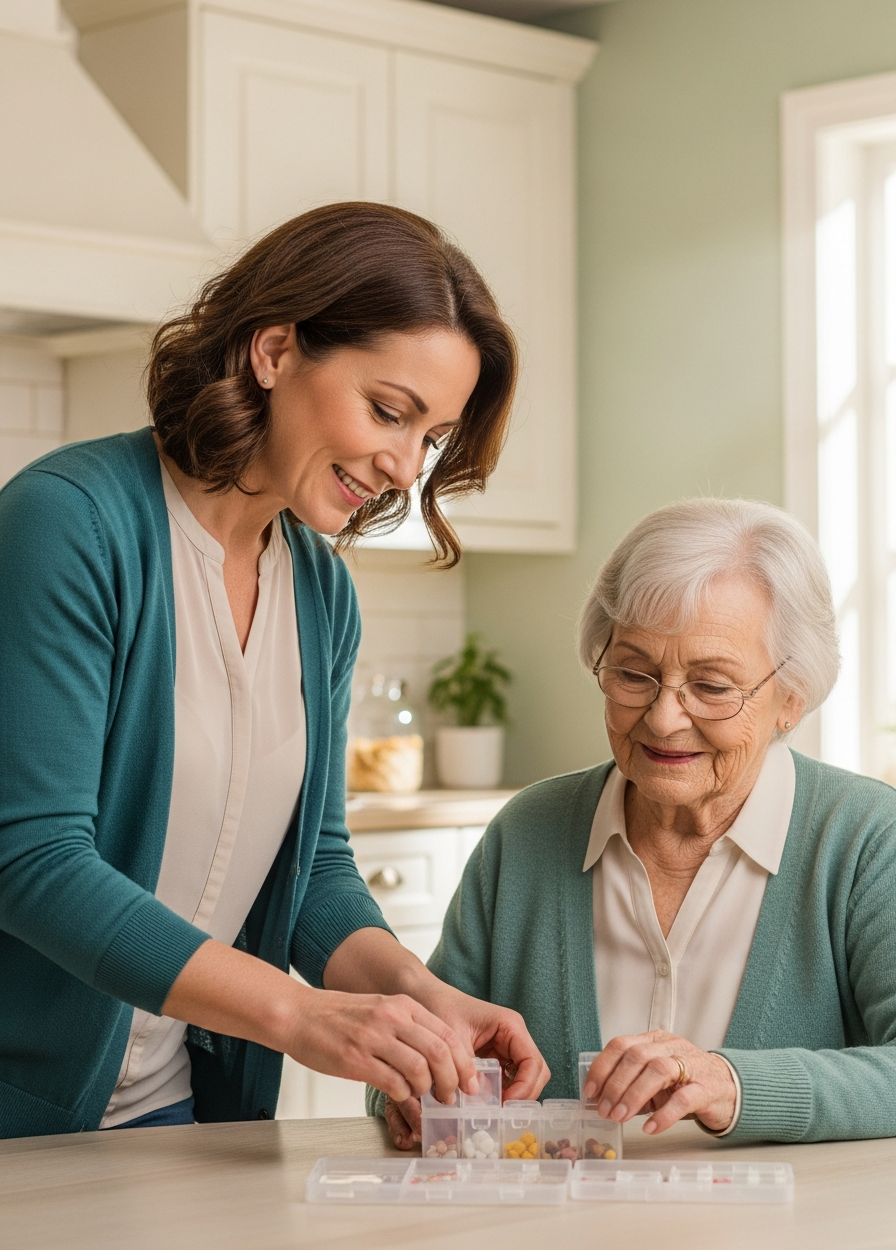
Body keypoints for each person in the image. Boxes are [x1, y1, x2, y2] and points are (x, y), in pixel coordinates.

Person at [0, 202, 548, 1139]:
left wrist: (420, 1000)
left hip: (181, 1107)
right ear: (275, 351)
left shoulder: (322, 598)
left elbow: (313, 872)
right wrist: (299, 1017)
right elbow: (34, 861)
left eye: (431, 438)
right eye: (389, 411)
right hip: (29, 1114)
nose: (403, 465)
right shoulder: (69, 526)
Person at [371, 497, 896, 1146]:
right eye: (634, 673)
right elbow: (422, 1043)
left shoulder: (869, 839)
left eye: (710, 685)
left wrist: (730, 1084)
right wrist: (415, 1087)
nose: (664, 717)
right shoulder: (526, 834)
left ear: (791, 697)